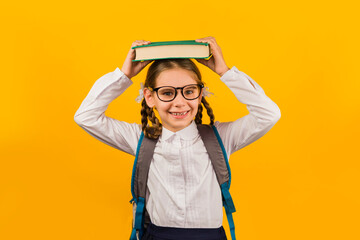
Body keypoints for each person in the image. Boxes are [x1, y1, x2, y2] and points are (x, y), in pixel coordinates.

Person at [74, 36, 281, 240]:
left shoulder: (222, 138)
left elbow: (269, 114)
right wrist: (124, 75)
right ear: (149, 97)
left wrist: (225, 72)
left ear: (200, 94)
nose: (180, 102)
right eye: (167, 93)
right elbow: (86, 116)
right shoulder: (139, 138)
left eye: (189, 91)